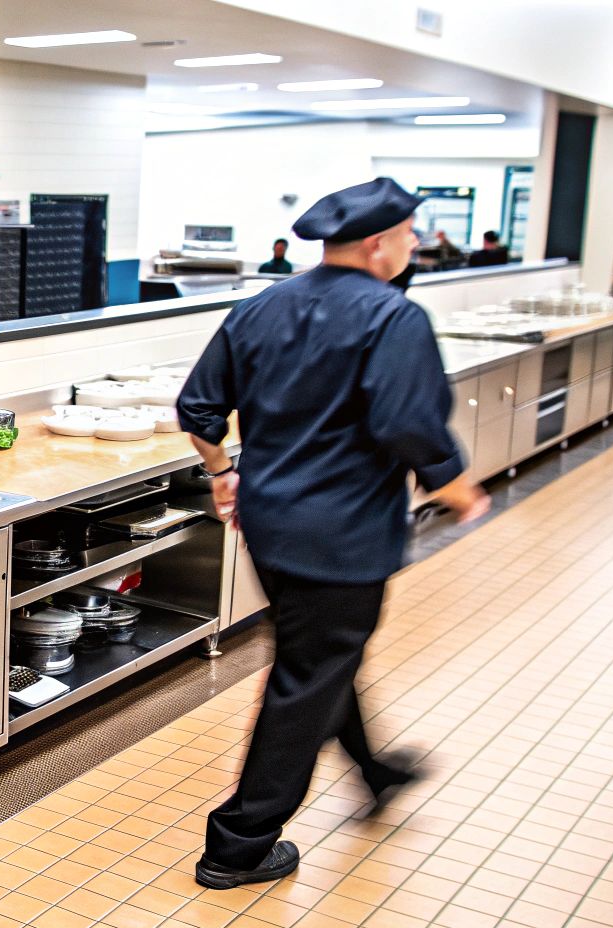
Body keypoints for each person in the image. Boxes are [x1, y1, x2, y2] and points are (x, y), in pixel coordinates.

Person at [175, 177, 492, 889]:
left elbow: (198, 407)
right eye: (412, 236)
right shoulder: (392, 318)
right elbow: (409, 425)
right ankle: (239, 843)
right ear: (379, 243)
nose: (416, 247)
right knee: (308, 671)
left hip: (271, 523)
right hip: (344, 533)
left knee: (318, 651)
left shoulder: (260, 307)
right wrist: (459, 488)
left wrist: (224, 472)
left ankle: (375, 774)